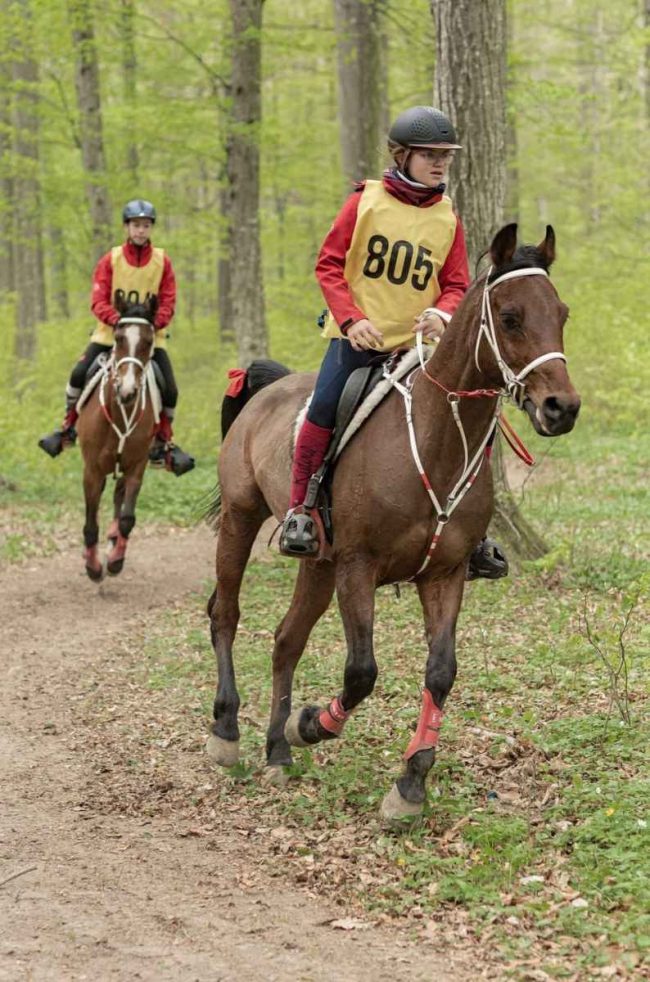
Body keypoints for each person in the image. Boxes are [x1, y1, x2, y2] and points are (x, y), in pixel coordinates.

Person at [279, 106, 507, 580]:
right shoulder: (366, 201)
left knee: (472, 418)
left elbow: (456, 283)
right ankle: (301, 510)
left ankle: (473, 532)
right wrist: (350, 318)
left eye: (445, 156)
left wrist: (443, 312)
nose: (440, 163)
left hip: (420, 350)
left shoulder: (447, 216)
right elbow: (328, 265)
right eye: (429, 155)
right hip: (359, 341)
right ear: (403, 155)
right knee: (322, 409)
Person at [38, 199, 195, 476]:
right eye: (136, 225)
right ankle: (67, 429)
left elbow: (169, 299)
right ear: (127, 227)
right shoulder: (111, 259)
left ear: (151, 229)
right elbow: (98, 299)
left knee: (170, 388)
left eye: (146, 226)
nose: (140, 230)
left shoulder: (162, 261)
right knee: (79, 374)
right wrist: (117, 322)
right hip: (110, 334)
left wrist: (152, 324)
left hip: (149, 338)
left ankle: (163, 443)